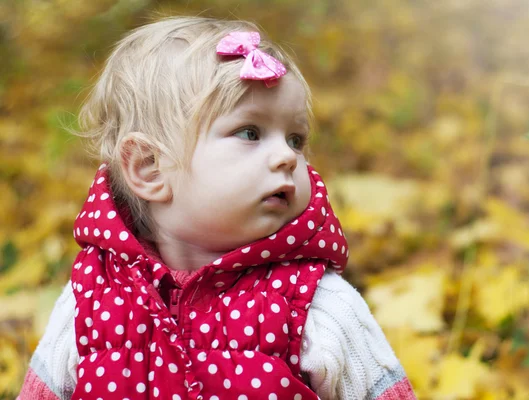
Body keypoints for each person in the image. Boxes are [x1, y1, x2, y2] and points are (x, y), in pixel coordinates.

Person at [18, 16, 415, 400]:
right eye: (250, 133)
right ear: (149, 168)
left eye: (295, 139)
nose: (288, 158)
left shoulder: (316, 305)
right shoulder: (91, 301)